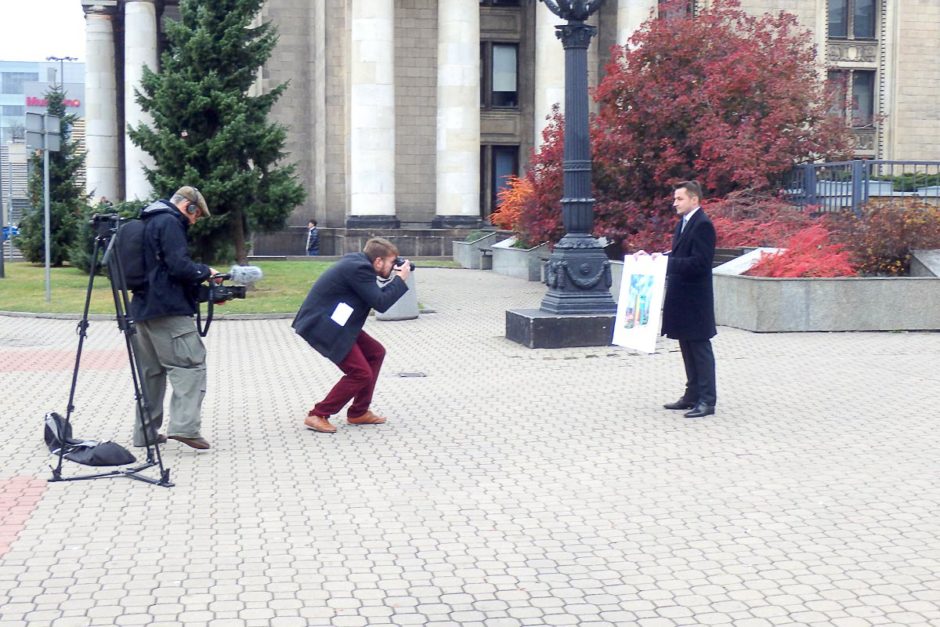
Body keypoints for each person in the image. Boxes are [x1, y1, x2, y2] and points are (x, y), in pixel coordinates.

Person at [292, 237, 411, 433]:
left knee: (375, 352)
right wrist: (399, 279)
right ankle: (318, 414)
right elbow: (381, 303)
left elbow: (375, 296)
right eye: (392, 262)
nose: (393, 267)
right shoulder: (360, 269)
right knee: (360, 373)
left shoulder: (360, 263)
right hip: (323, 325)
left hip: (338, 323)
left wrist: (395, 277)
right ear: (378, 261)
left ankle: (358, 412)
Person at [130, 186, 217, 449]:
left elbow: (162, 272)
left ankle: (145, 433)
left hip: (142, 310)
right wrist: (205, 272)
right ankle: (185, 427)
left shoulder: (147, 221)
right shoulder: (170, 222)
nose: (195, 221)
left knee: (151, 374)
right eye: (196, 214)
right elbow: (178, 266)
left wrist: (201, 293)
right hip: (168, 312)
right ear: (188, 206)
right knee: (190, 365)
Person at [659, 180, 717, 418]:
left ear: (694, 199)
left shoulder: (703, 225)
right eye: (674, 199)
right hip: (682, 297)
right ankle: (691, 395)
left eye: (679, 199)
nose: (675, 203)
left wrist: (666, 264)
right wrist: (657, 258)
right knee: (686, 345)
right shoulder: (683, 223)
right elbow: (680, 253)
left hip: (696, 299)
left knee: (700, 348)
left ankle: (707, 401)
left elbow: (700, 263)